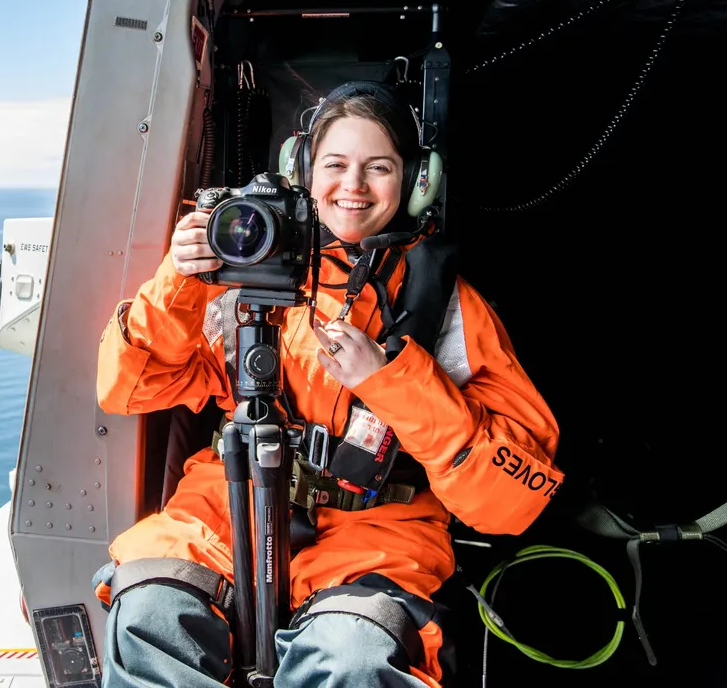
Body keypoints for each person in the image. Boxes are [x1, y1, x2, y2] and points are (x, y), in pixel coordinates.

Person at [91, 81, 563, 688]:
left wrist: (393, 381)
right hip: (228, 509)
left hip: (377, 530)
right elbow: (130, 389)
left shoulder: (449, 309)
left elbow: (513, 499)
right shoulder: (243, 273)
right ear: (305, 171)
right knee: (150, 614)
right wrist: (179, 280)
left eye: (380, 168)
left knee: (353, 656)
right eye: (336, 164)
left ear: (418, 181)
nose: (354, 186)